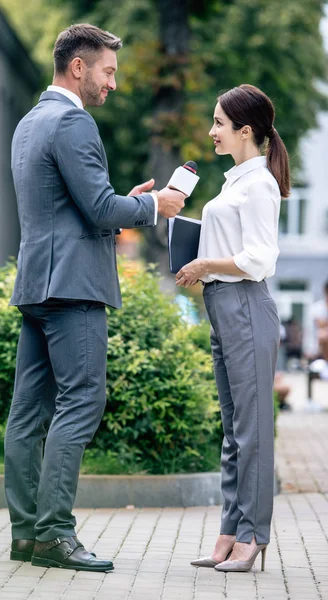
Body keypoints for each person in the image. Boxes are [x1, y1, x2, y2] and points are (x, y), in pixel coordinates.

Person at [4, 23, 186, 573]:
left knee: (27, 413)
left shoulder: (29, 123)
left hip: (37, 284)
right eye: (107, 72)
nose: (113, 83)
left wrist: (117, 203)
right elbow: (102, 212)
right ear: (78, 67)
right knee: (81, 403)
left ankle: (25, 535)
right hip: (74, 289)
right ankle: (56, 534)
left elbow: (78, 207)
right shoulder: (74, 122)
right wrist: (157, 208)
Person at [176, 84, 290, 572]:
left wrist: (204, 264)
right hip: (224, 307)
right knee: (233, 432)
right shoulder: (233, 182)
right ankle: (228, 532)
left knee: (253, 433)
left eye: (219, 123)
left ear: (245, 131)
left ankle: (253, 537)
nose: (211, 131)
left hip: (245, 305)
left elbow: (259, 259)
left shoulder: (259, 184)